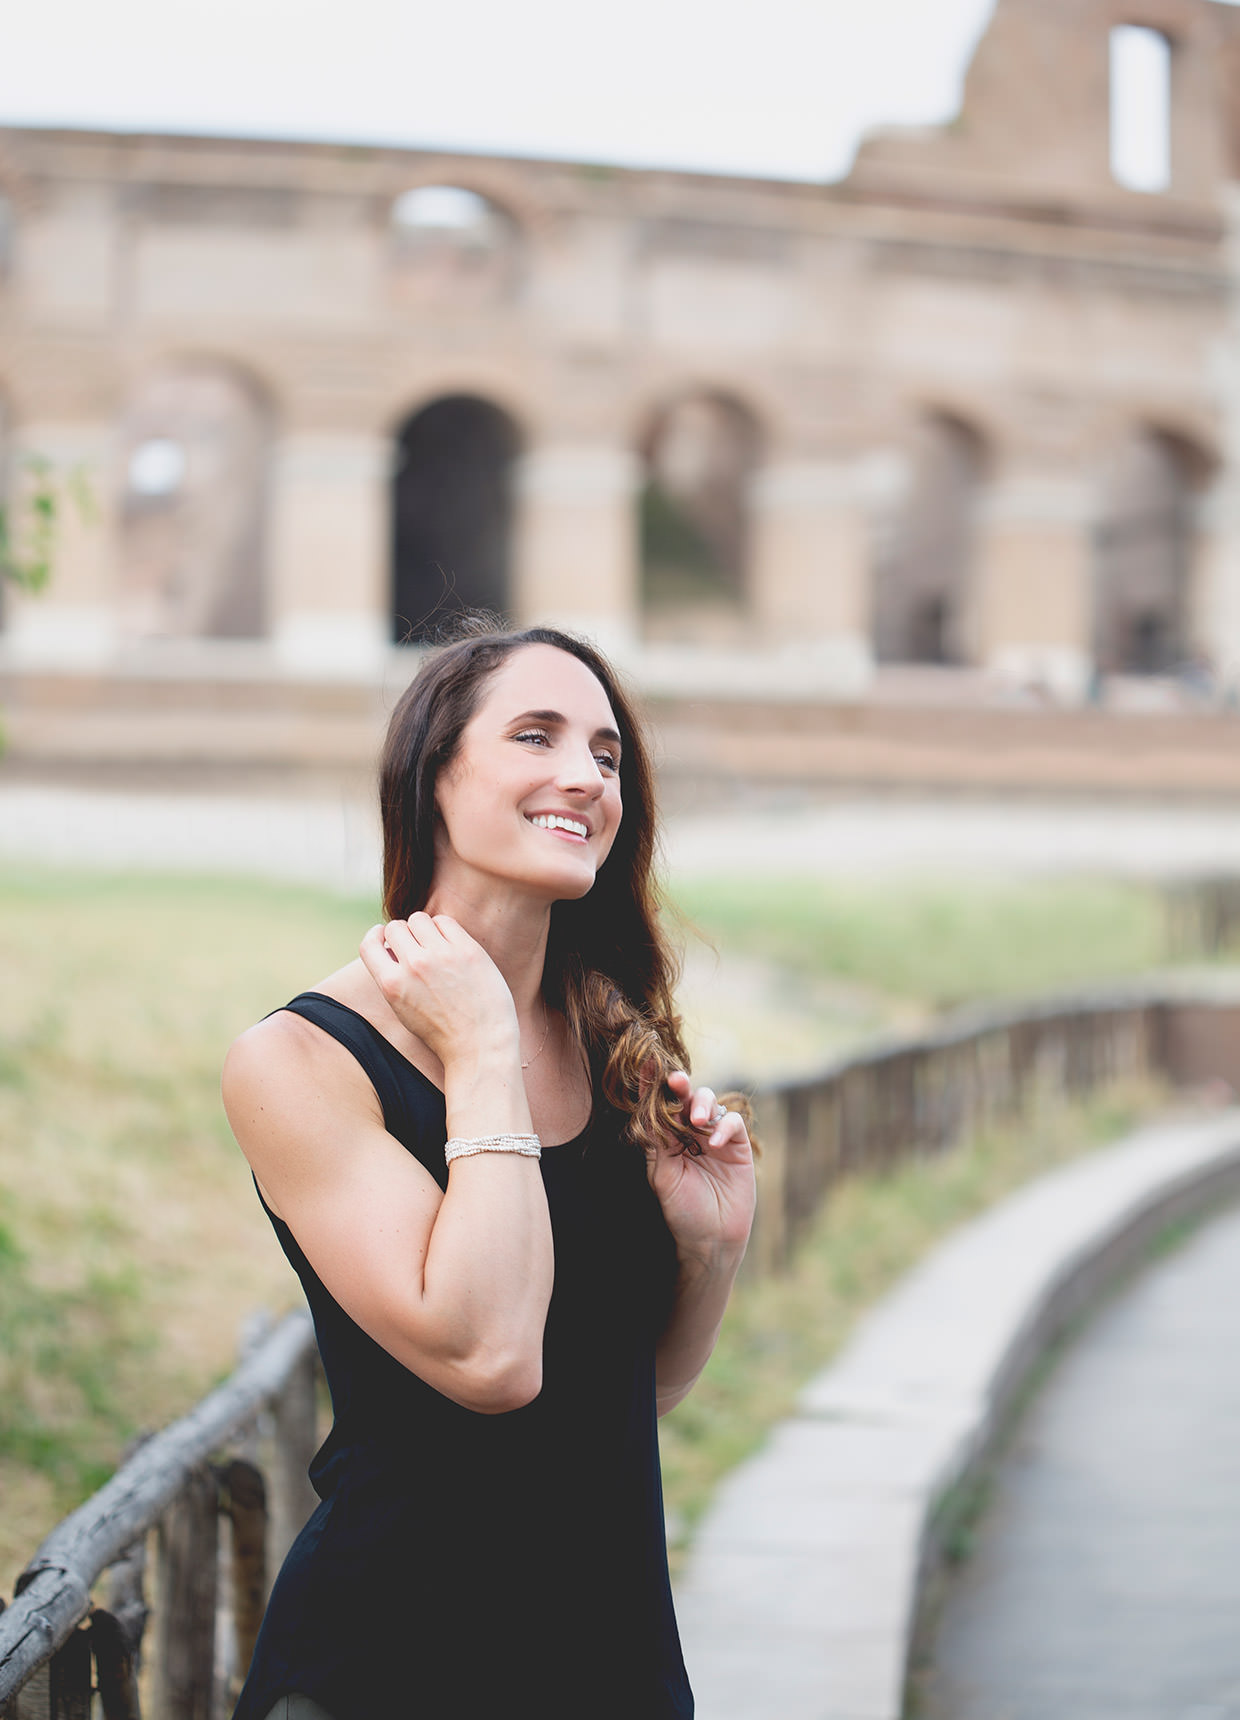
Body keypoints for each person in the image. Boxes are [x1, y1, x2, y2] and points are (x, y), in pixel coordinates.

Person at [223, 621, 756, 1720]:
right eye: (534, 735)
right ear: (435, 776)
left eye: (606, 755)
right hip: (390, 1668)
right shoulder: (301, 1059)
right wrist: (478, 1052)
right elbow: (492, 1355)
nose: (583, 776)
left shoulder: (613, 1038)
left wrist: (709, 1248)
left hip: (612, 1666)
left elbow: (626, 1391)